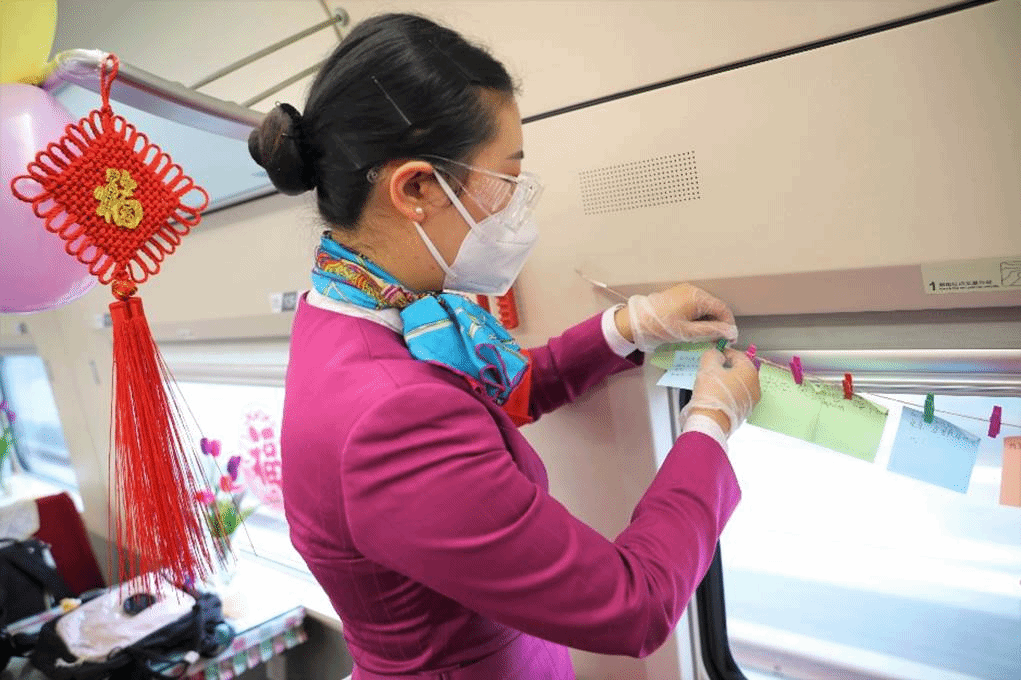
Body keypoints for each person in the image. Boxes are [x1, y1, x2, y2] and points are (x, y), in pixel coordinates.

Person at [252, 13, 761, 680]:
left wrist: (628, 326)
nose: (518, 207)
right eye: (507, 180)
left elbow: (485, 399)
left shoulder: (353, 309)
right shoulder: (389, 415)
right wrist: (710, 425)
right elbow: (632, 605)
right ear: (416, 188)